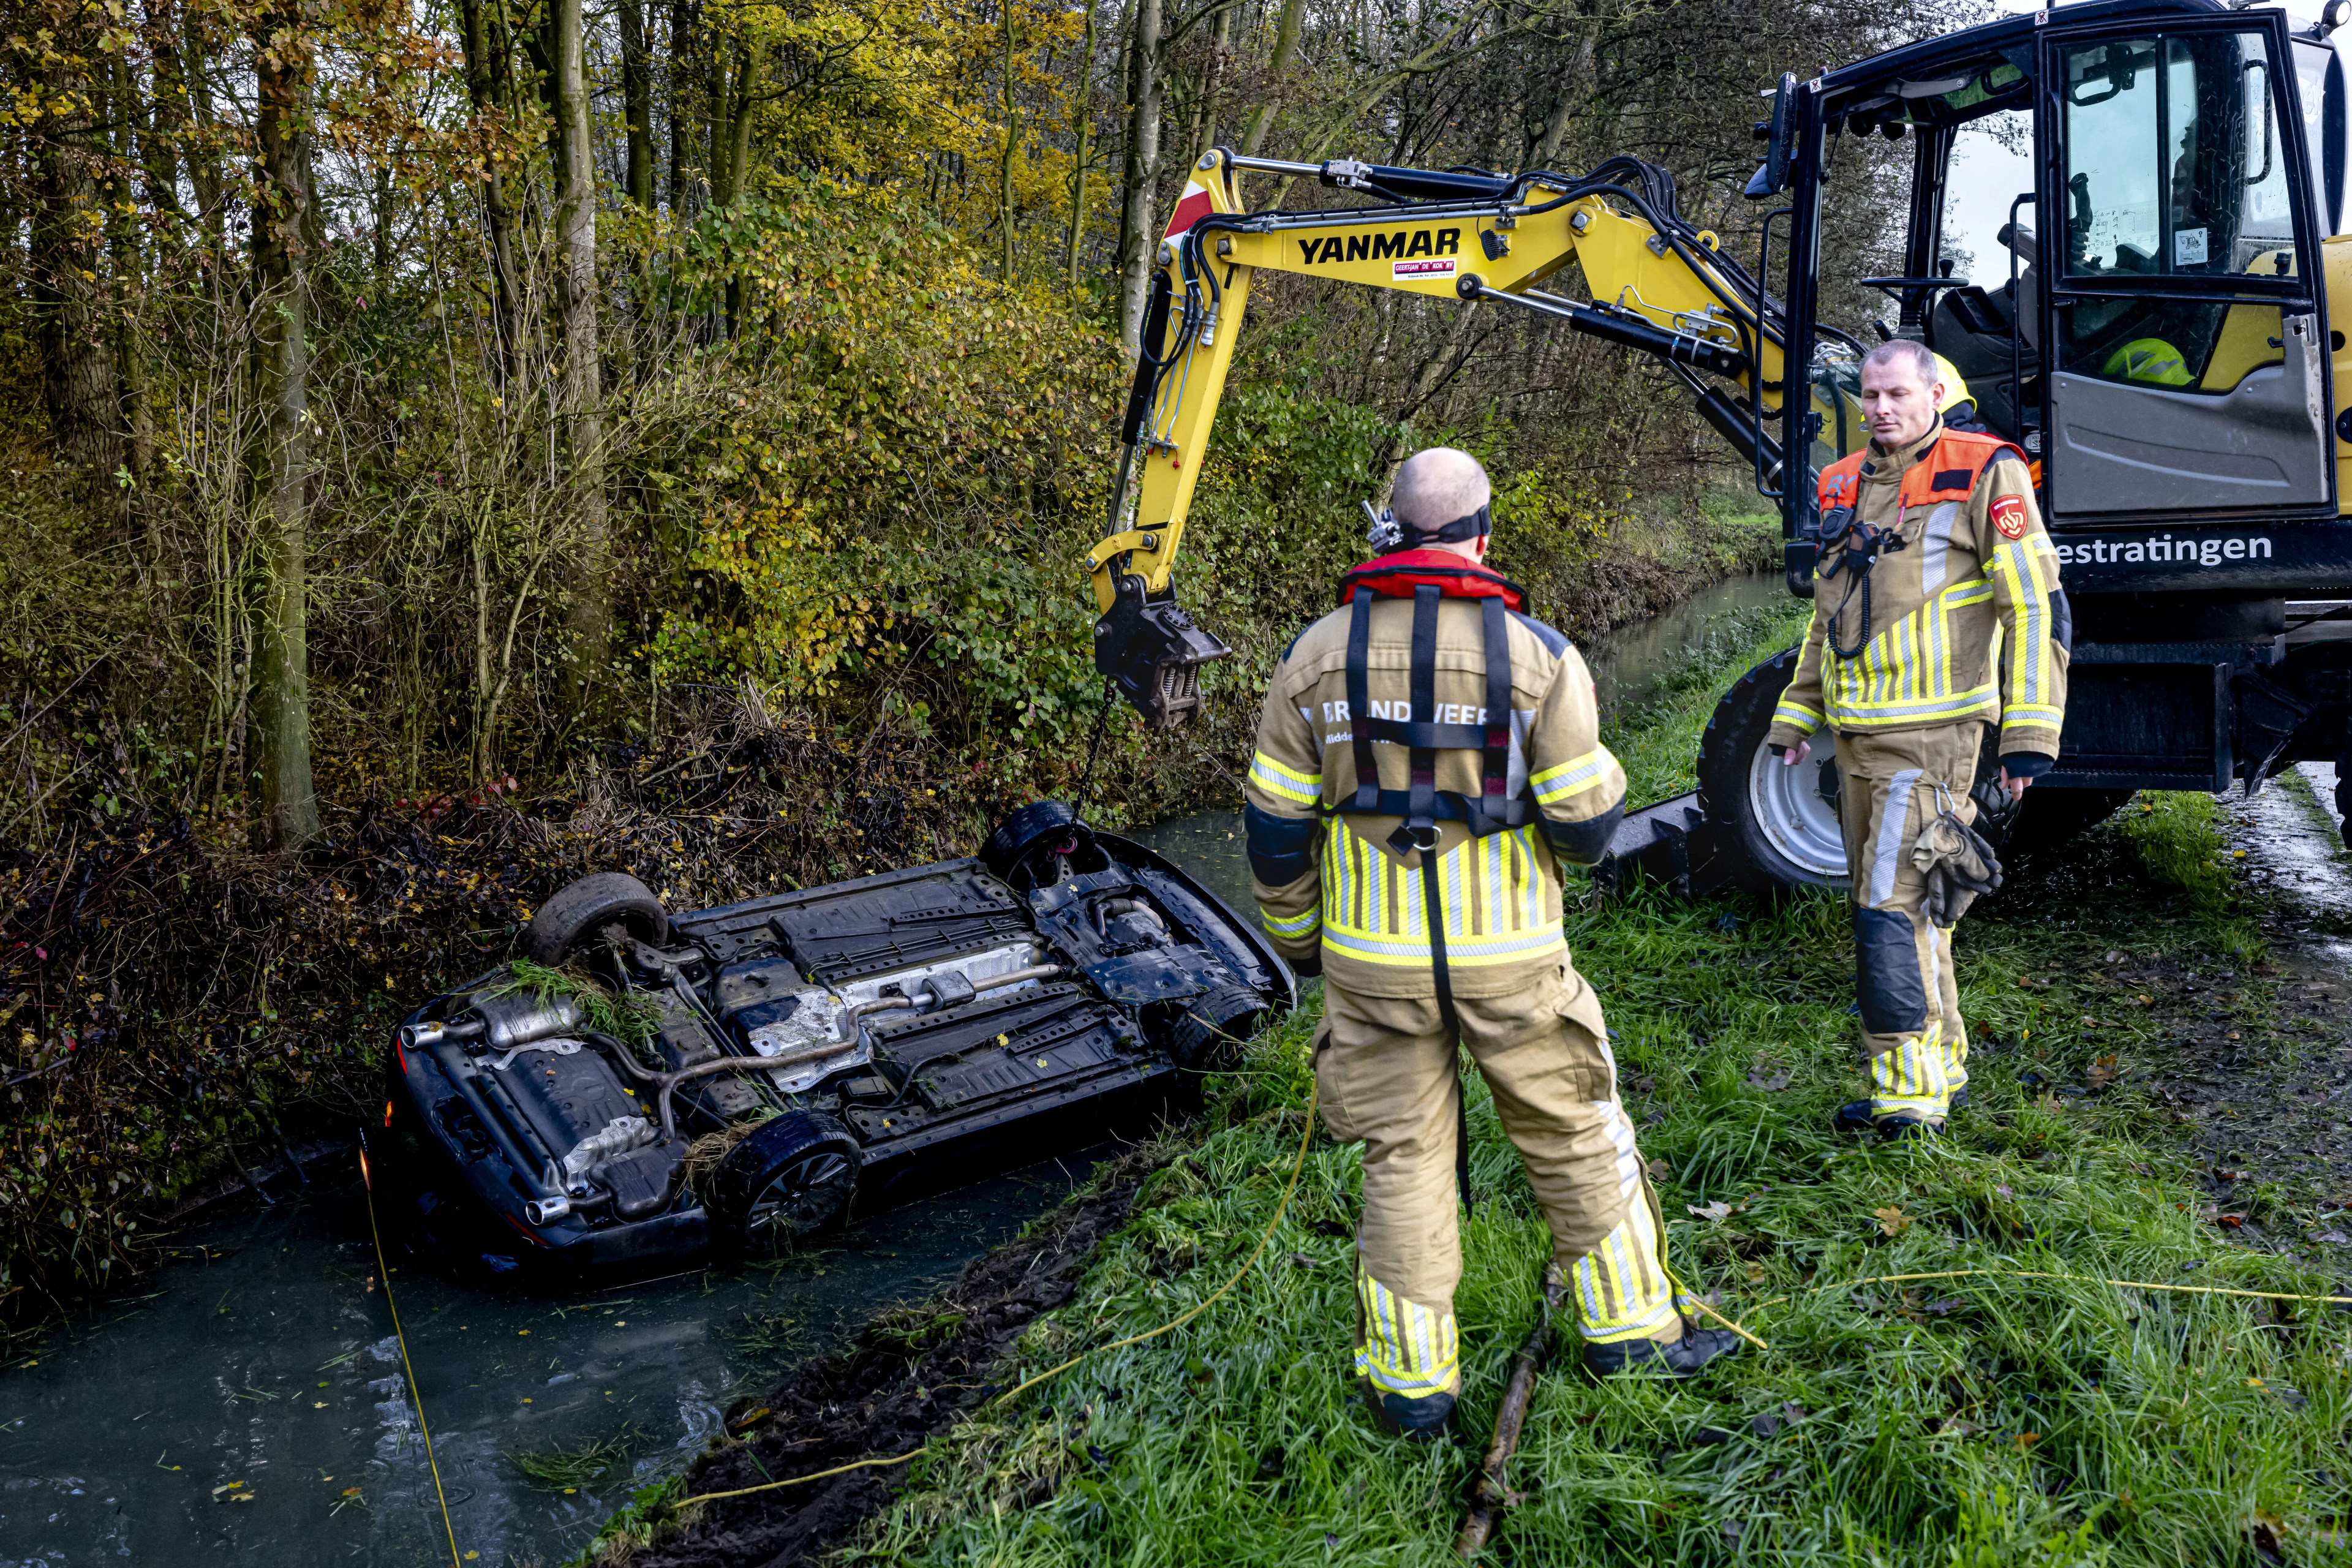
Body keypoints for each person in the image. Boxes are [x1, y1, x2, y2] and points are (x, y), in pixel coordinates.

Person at [1245, 447, 1738, 1441]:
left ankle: (1408, 1385)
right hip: (1512, 957)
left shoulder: (1313, 654)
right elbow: (1589, 827)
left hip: (1371, 965)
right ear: (1482, 535)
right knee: (1573, 1130)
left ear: (1392, 528)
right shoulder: (1539, 654)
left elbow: (1274, 827)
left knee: (1402, 1158)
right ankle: (1632, 1332)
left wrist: (1300, 941)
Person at [1766, 339, 2069, 1139]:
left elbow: (2035, 604)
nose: (1881, 409)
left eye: (1897, 393)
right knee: (1917, 905)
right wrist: (1798, 712)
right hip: (1858, 737)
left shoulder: (1985, 468)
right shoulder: (1842, 482)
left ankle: (1905, 1090)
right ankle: (1945, 1060)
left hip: (1936, 734)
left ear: (1935, 393)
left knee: (1884, 906)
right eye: (1870, 395)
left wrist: (2030, 732)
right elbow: (1829, 618)